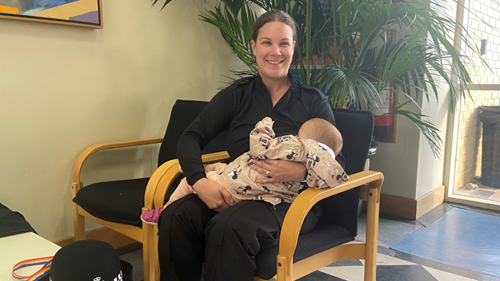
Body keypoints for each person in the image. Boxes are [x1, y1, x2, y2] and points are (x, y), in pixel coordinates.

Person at [157, 10, 346, 281]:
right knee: (177, 215)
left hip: (289, 200)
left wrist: (298, 173)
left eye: (284, 43)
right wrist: (199, 182)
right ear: (254, 47)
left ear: (294, 48)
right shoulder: (238, 95)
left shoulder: (313, 101)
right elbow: (189, 137)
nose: (276, 52)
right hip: (238, 189)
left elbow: (338, 163)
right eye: (267, 42)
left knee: (229, 226)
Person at [141, 117, 347, 225]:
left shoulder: (297, 146)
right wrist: (308, 174)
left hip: (239, 184)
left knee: (189, 181)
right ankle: (203, 171)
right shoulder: (325, 165)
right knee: (219, 167)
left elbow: (260, 147)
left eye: (299, 132)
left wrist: (264, 126)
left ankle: (164, 211)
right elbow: (338, 175)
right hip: (252, 184)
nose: (295, 134)